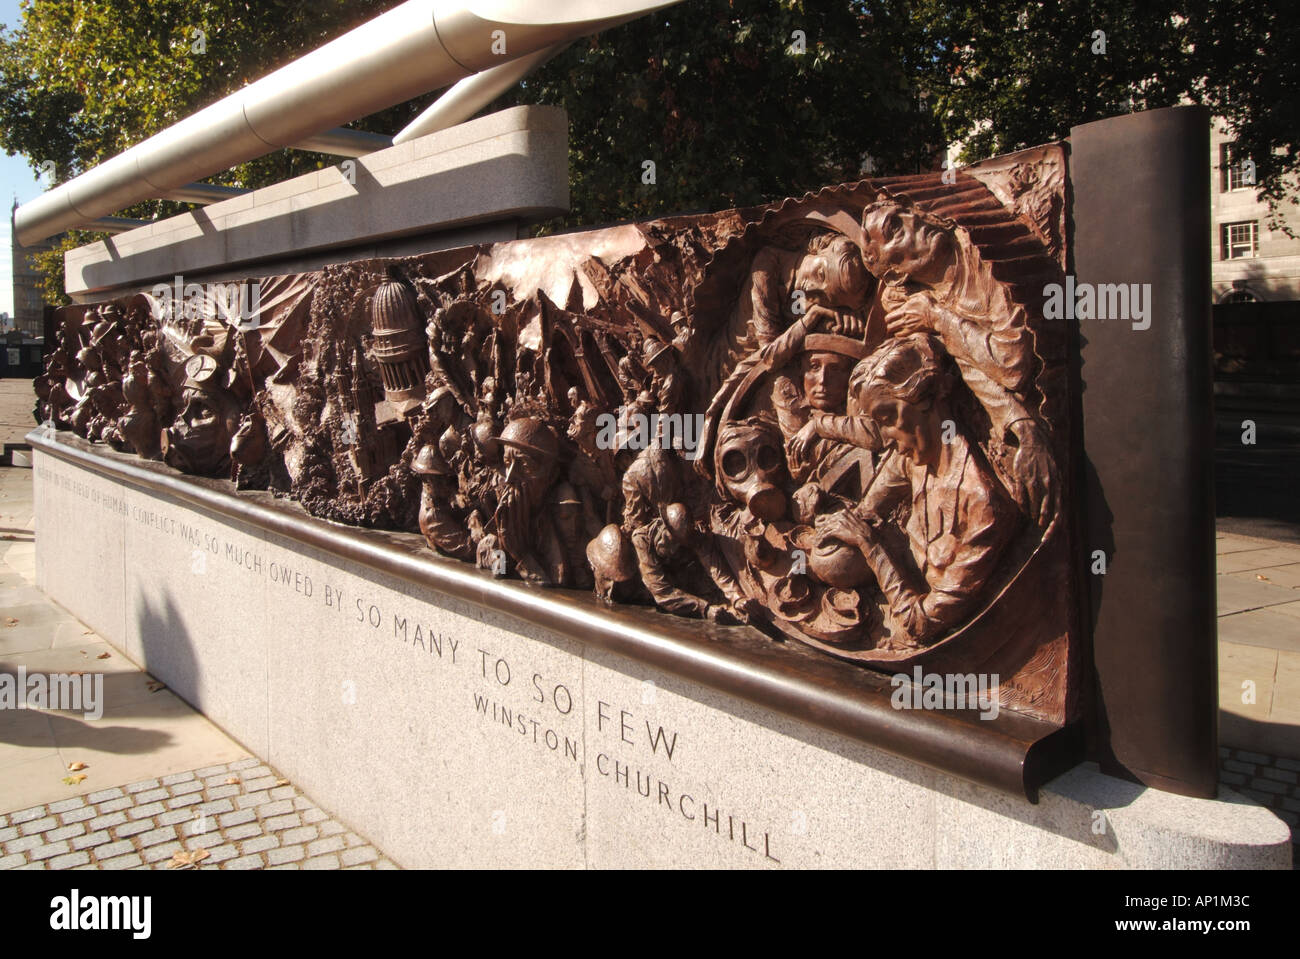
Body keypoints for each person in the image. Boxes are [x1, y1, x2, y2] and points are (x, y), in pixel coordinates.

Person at [816, 335, 1019, 649]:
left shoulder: (983, 506)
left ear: (925, 399)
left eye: (888, 418)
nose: (885, 436)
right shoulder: (911, 459)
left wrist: (869, 544)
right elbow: (865, 512)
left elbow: (921, 624)